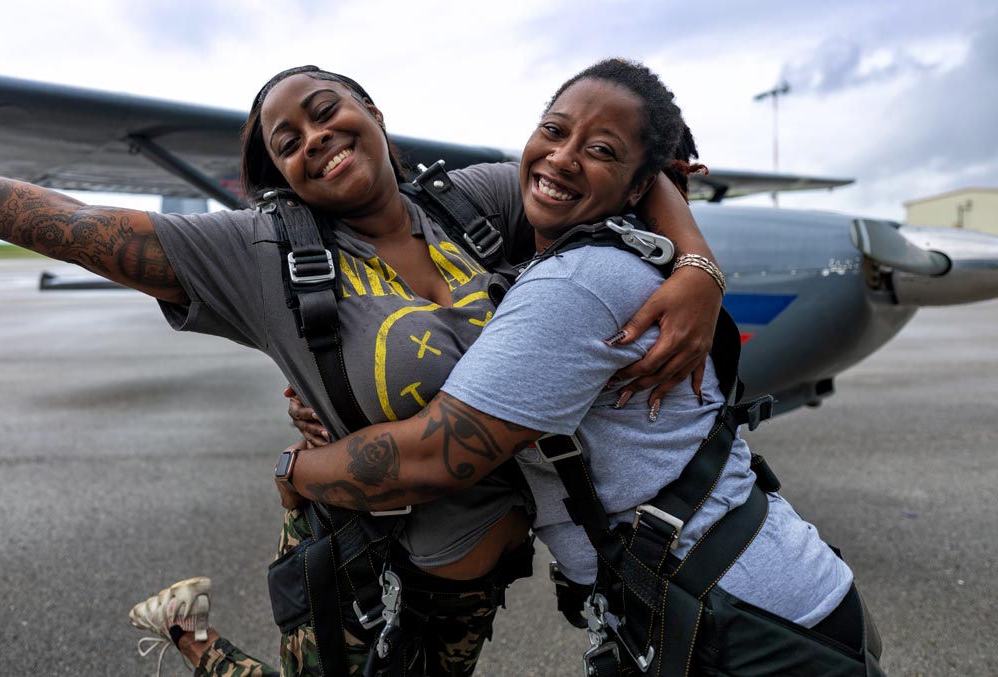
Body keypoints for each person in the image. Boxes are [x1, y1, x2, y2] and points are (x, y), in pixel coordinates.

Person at [0, 64, 725, 677]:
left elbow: (643, 166)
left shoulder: (473, 198)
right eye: (285, 142)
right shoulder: (256, 253)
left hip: (469, 577)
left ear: (376, 113)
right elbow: (64, 221)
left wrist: (694, 266)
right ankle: (185, 636)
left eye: (328, 112)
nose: (313, 140)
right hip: (356, 539)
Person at [271, 60, 884, 676]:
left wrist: (299, 470)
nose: (561, 159)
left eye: (600, 150)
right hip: (754, 600)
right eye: (554, 130)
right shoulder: (611, 257)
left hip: (749, 627)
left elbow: (429, 458)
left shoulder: (576, 284)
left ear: (642, 183)